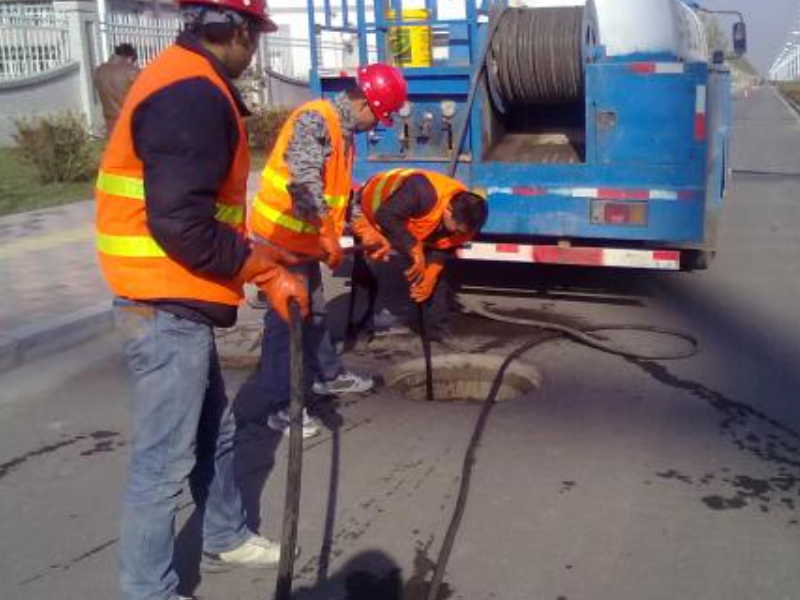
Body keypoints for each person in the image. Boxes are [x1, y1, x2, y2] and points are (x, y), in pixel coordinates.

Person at [94, 1, 309, 599]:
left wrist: (260, 257)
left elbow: (197, 210)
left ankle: (225, 534)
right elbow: (182, 224)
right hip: (163, 306)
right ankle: (148, 591)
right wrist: (258, 267)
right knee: (162, 467)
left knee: (214, 435)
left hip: (175, 300)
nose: (257, 48)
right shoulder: (190, 94)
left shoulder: (186, 80)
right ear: (236, 30)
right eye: (257, 35)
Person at [241, 64, 408, 437]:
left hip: (303, 242)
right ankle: (281, 405)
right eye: (378, 116)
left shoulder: (342, 132)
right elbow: (303, 181)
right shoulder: (317, 120)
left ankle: (325, 375)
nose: (377, 125)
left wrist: (364, 231)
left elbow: (337, 194)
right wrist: (326, 231)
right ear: (364, 102)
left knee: (313, 314)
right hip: (281, 240)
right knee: (287, 324)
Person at [351, 169, 488, 303]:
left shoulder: (468, 214)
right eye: (458, 230)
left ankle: (428, 320)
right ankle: (367, 303)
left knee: (432, 282)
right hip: (368, 210)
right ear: (448, 211)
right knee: (377, 254)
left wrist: (433, 271)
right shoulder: (421, 192)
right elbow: (386, 216)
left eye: (464, 233)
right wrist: (413, 247)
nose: (459, 235)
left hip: (402, 216)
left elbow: (445, 245)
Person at [93, 43, 140, 137]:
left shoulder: (99, 71)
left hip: (110, 122)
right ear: (130, 58)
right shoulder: (132, 71)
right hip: (130, 122)